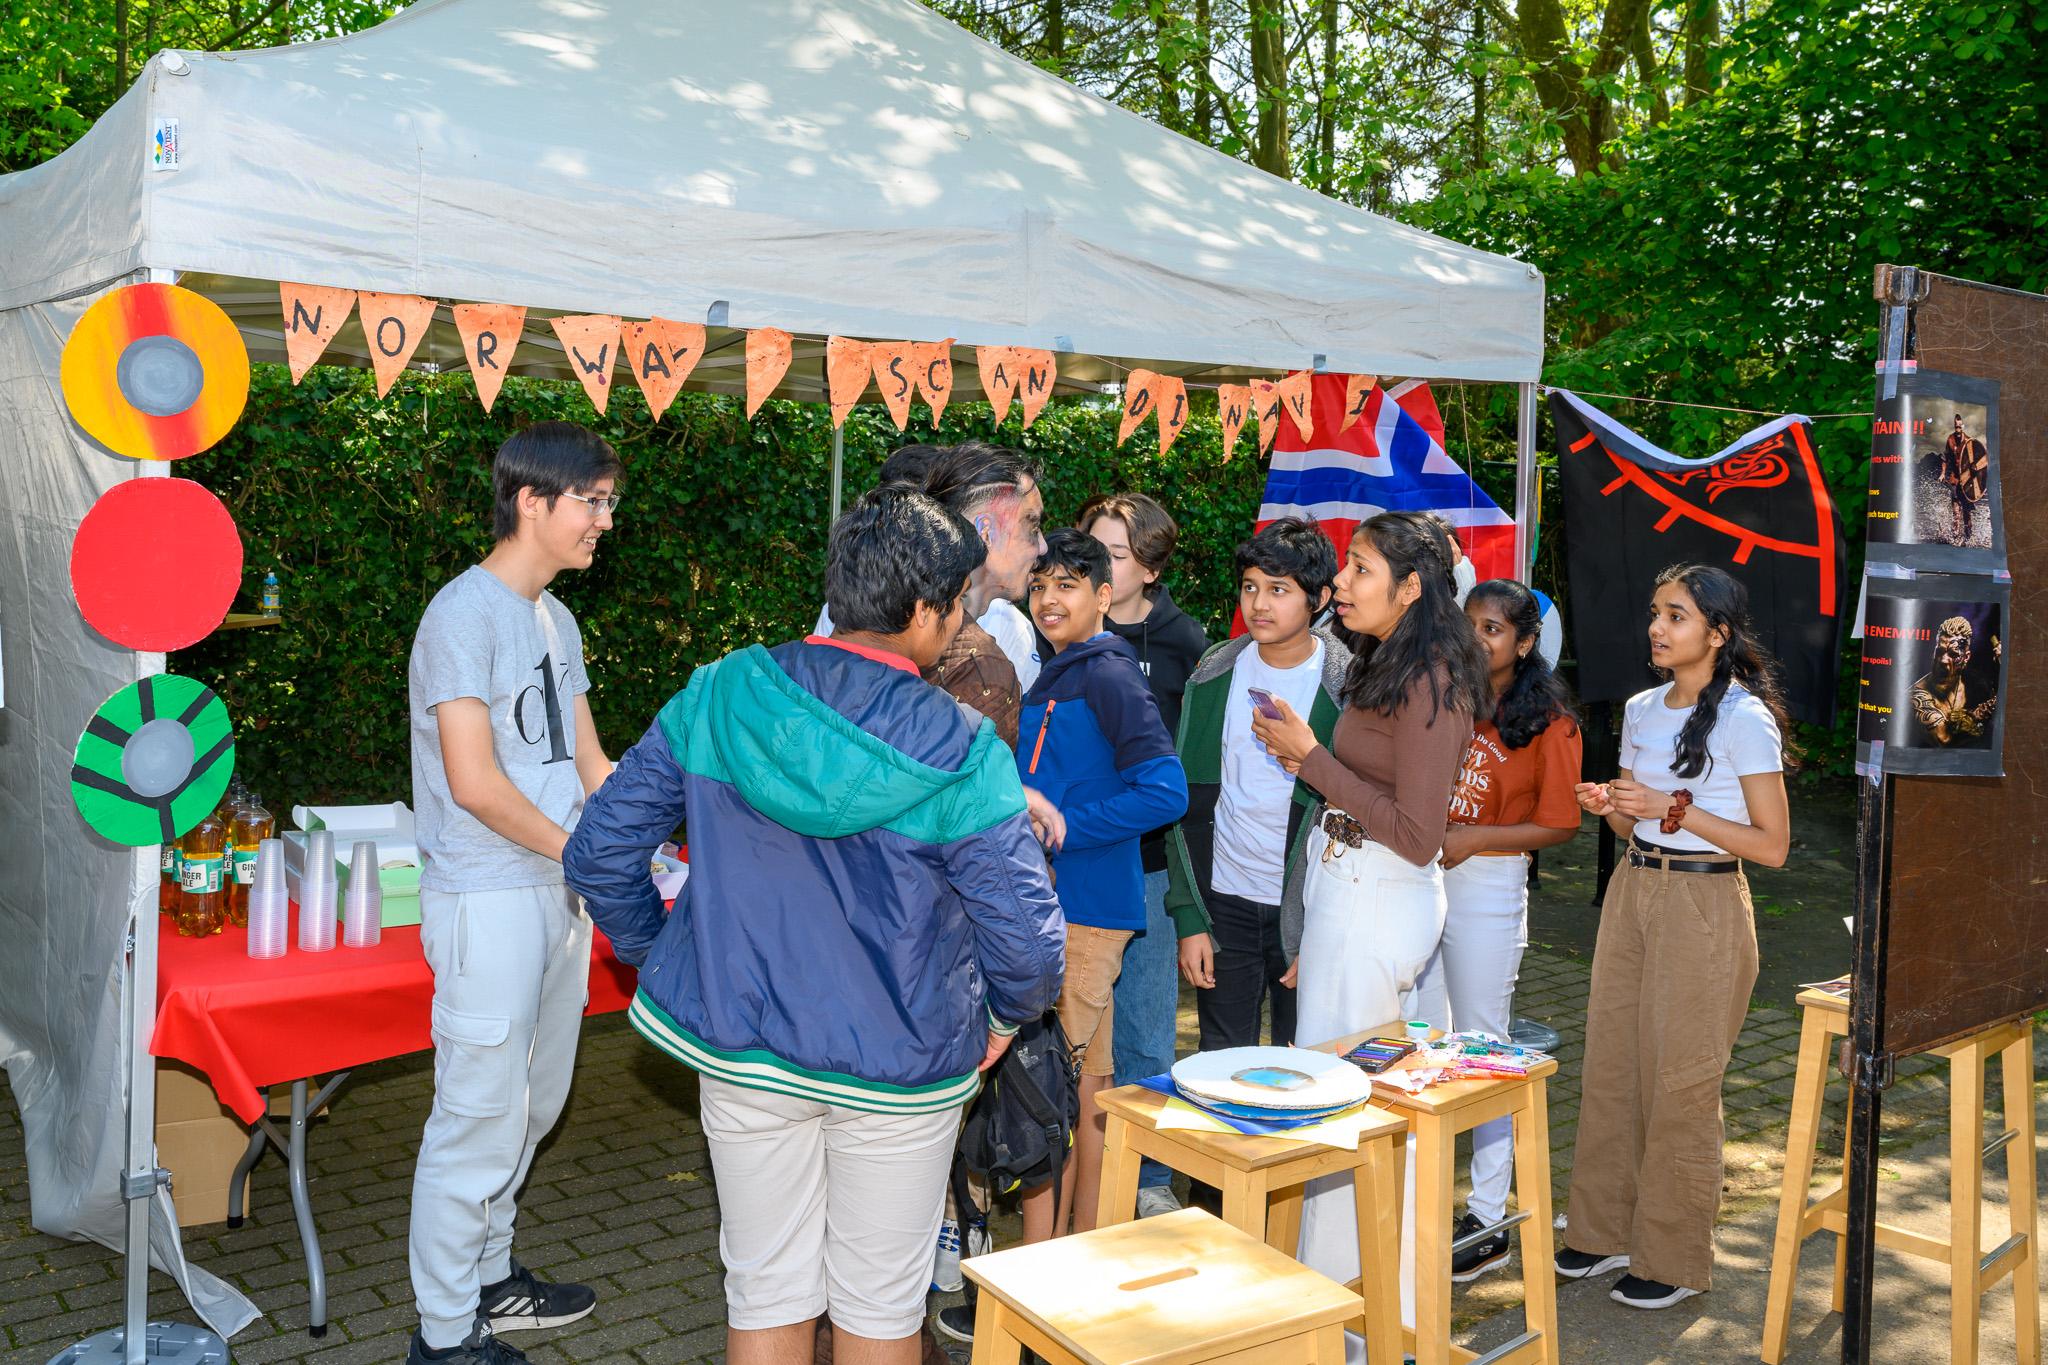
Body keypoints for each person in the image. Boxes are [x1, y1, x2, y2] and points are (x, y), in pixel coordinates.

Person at [563, 484, 1065, 1365]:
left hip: (745, 1047)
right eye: (956, 604)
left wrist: (676, 955)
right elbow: (1027, 945)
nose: (959, 622)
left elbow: (600, 851)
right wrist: (998, 1019)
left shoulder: (720, 693)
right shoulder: (965, 749)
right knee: (880, 1305)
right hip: (903, 1064)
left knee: (764, 1290)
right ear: (922, 610)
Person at [405, 423, 620, 1365]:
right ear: (532, 501)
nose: (605, 520)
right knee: (476, 1121)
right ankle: (445, 1335)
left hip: (556, 895)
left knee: (532, 1105)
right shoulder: (462, 614)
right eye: (592, 501)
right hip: (486, 896)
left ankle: (490, 1279)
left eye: (609, 502)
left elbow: (589, 760)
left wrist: (652, 833)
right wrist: (585, 854)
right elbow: (473, 781)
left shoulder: (554, 620)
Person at [1250, 510, 1488, 1352]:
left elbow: (1420, 835)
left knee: (1338, 1115)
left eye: (1358, 568)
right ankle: (1370, 1325)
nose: (1341, 582)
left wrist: (1309, 758)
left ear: (1411, 587)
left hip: (1378, 896)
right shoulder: (1390, 661)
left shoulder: (1431, 679)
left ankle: (1345, 1333)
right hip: (1349, 889)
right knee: (1363, 1113)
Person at [1561, 563, 1791, 1309]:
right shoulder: (1641, 708)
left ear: (1717, 634)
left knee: (1682, 1079)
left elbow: (1773, 846)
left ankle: (1672, 1255)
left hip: (1705, 901)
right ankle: (1602, 1228)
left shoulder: (1745, 718)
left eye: (1676, 615)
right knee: (1612, 1061)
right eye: (1656, 612)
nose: (1657, 627)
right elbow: (1635, 825)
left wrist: (1674, 808)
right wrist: (1611, 806)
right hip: (1634, 888)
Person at [1015, 529, 1188, 1243]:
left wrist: (1061, 828)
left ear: (1104, 595)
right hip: (1063, 905)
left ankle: (1041, 1263)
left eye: (1067, 585)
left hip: (1084, 909)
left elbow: (1166, 791)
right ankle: (1086, 1243)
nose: (1048, 599)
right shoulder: (1060, 670)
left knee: (1044, 1088)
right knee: (1089, 1084)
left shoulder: (1110, 674)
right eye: (1039, 585)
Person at [1409, 579, 1583, 1282]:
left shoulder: (1551, 720)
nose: (1479, 639)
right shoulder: (1442, 694)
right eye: (1470, 624)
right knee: (1421, 1036)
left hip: (1488, 880)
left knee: (1482, 1044)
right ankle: (1419, 1195)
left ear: (1526, 641)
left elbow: (1562, 823)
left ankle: (1487, 1219)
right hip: (1421, 872)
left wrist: (1478, 836)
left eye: (1494, 629)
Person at [1166, 518, 1349, 1059]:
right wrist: (1191, 918)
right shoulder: (1213, 672)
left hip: (1310, 907)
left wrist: (1325, 932)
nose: (1259, 604)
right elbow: (1184, 802)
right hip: (1226, 903)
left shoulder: (1350, 685)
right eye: (1250, 587)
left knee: (1305, 1065)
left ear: (1319, 600)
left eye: (1279, 590)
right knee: (1222, 1062)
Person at [1075, 492, 1209, 1219]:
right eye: (1091, 548)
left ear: (1151, 568)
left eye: (1117, 554)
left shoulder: (1188, 645)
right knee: (1071, 1030)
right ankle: (1068, 1167)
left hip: (1151, 868)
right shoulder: (1059, 631)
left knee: (1147, 1030)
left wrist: (1190, 905)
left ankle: (1149, 1177)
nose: (1098, 564)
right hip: (1073, 866)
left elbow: (1189, 778)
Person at [816, 441, 1048, 693]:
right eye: (1033, 527)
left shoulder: (863, 593)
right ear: (985, 532)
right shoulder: (987, 673)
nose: (1043, 546)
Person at [1909, 614, 1997, 745]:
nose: (1943, 660)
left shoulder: (1976, 682)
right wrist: (1975, 720)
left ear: (1966, 658)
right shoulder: (1915, 696)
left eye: (1953, 654)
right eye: (1939, 652)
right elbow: (1944, 739)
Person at [1939, 412, 1989, 544]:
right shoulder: (1950, 440)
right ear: (1954, 427)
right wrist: (1943, 473)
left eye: (1960, 427)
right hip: (1955, 480)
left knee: (1967, 514)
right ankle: (1955, 540)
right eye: (1956, 427)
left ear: (1963, 427)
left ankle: (1968, 540)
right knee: (1956, 513)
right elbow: (1945, 458)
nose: (1958, 430)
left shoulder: (1968, 442)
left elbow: (1980, 464)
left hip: (1967, 483)